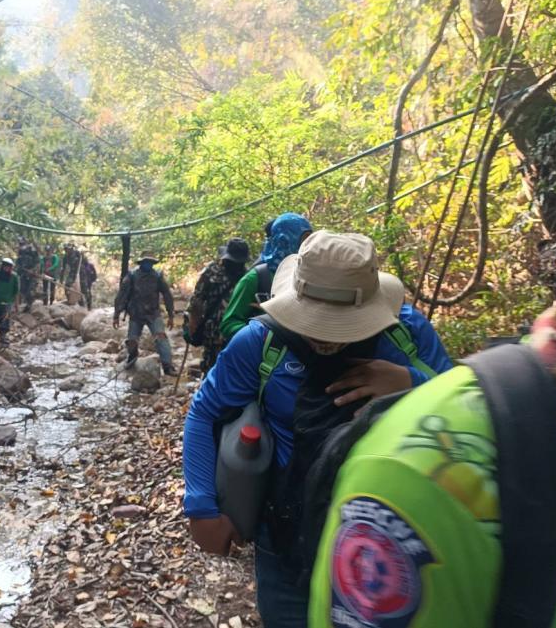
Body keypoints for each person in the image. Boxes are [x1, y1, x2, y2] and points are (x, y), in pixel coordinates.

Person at [306, 178, 556, 628]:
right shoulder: (424, 461)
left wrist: (409, 379)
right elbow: (212, 404)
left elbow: (444, 371)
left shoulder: (407, 330)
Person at [183, 231, 453, 628]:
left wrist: (410, 382)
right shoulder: (260, 343)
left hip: (385, 538)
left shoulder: (405, 335)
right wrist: (202, 506)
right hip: (284, 528)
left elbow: (463, 414)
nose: (325, 337)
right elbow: (204, 412)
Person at [220, 212, 312, 341]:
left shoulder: (309, 277)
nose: (307, 246)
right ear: (284, 240)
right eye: (303, 240)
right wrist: (263, 335)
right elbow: (228, 324)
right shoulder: (255, 279)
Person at [186, 237, 251, 373]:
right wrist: (192, 324)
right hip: (213, 330)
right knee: (211, 368)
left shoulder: (248, 276)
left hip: (236, 333)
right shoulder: (212, 271)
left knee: (231, 369)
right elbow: (197, 300)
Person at [113, 251, 177, 376]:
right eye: (146, 262)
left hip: (153, 313)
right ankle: (132, 356)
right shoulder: (132, 275)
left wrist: (171, 315)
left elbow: (167, 295)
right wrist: (116, 315)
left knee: (161, 338)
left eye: (151, 262)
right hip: (136, 313)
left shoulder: (157, 276)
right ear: (141, 263)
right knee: (132, 340)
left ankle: (167, 366)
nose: (148, 264)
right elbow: (121, 295)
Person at [15, 237, 40, 312]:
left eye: (22, 243)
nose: (21, 245)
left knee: (30, 290)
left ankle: (29, 305)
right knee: (23, 290)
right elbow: (18, 263)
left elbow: (37, 262)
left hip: (32, 274)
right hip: (23, 274)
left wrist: (34, 270)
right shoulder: (20, 252)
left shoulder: (32, 250)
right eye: (20, 243)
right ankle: (28, 303)